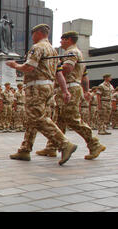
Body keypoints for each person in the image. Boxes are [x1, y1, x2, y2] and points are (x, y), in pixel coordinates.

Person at [6, 24, 78, 166]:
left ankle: (64, 144)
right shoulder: (53, 50)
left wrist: (15, 65)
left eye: (33, 34)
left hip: (37, 87)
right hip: (49, 87)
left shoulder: (37, 47)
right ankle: (25, 149)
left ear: (38, 33)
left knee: (37, 118)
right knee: (34, 118)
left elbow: (29, 67)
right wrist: (65, 91)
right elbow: (59, 74)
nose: (32, 38)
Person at [36, 31, 105, 161]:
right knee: (59, 119)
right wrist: (86, 90)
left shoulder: (70, 52)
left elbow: (67, 68)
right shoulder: (78, 53)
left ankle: (94, 143)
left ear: (68, 40)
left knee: (72, 119)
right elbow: (85, 76)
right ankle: (52, 147)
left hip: (69, 88)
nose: (60, 42)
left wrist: (53, 68)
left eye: (62, 40)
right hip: (72, 87)